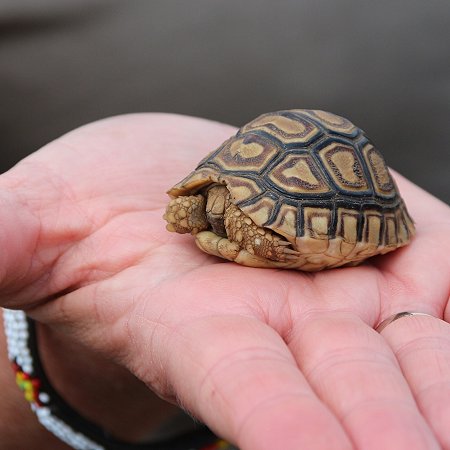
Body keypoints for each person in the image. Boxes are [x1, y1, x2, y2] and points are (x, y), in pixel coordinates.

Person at [0, 113, 449, 450]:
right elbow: (187, 210)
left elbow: (246, 221)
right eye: (210, 203)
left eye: (220, 207)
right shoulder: (202, 206)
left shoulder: (243, 218)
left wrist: (263, 236)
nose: (208, 213)